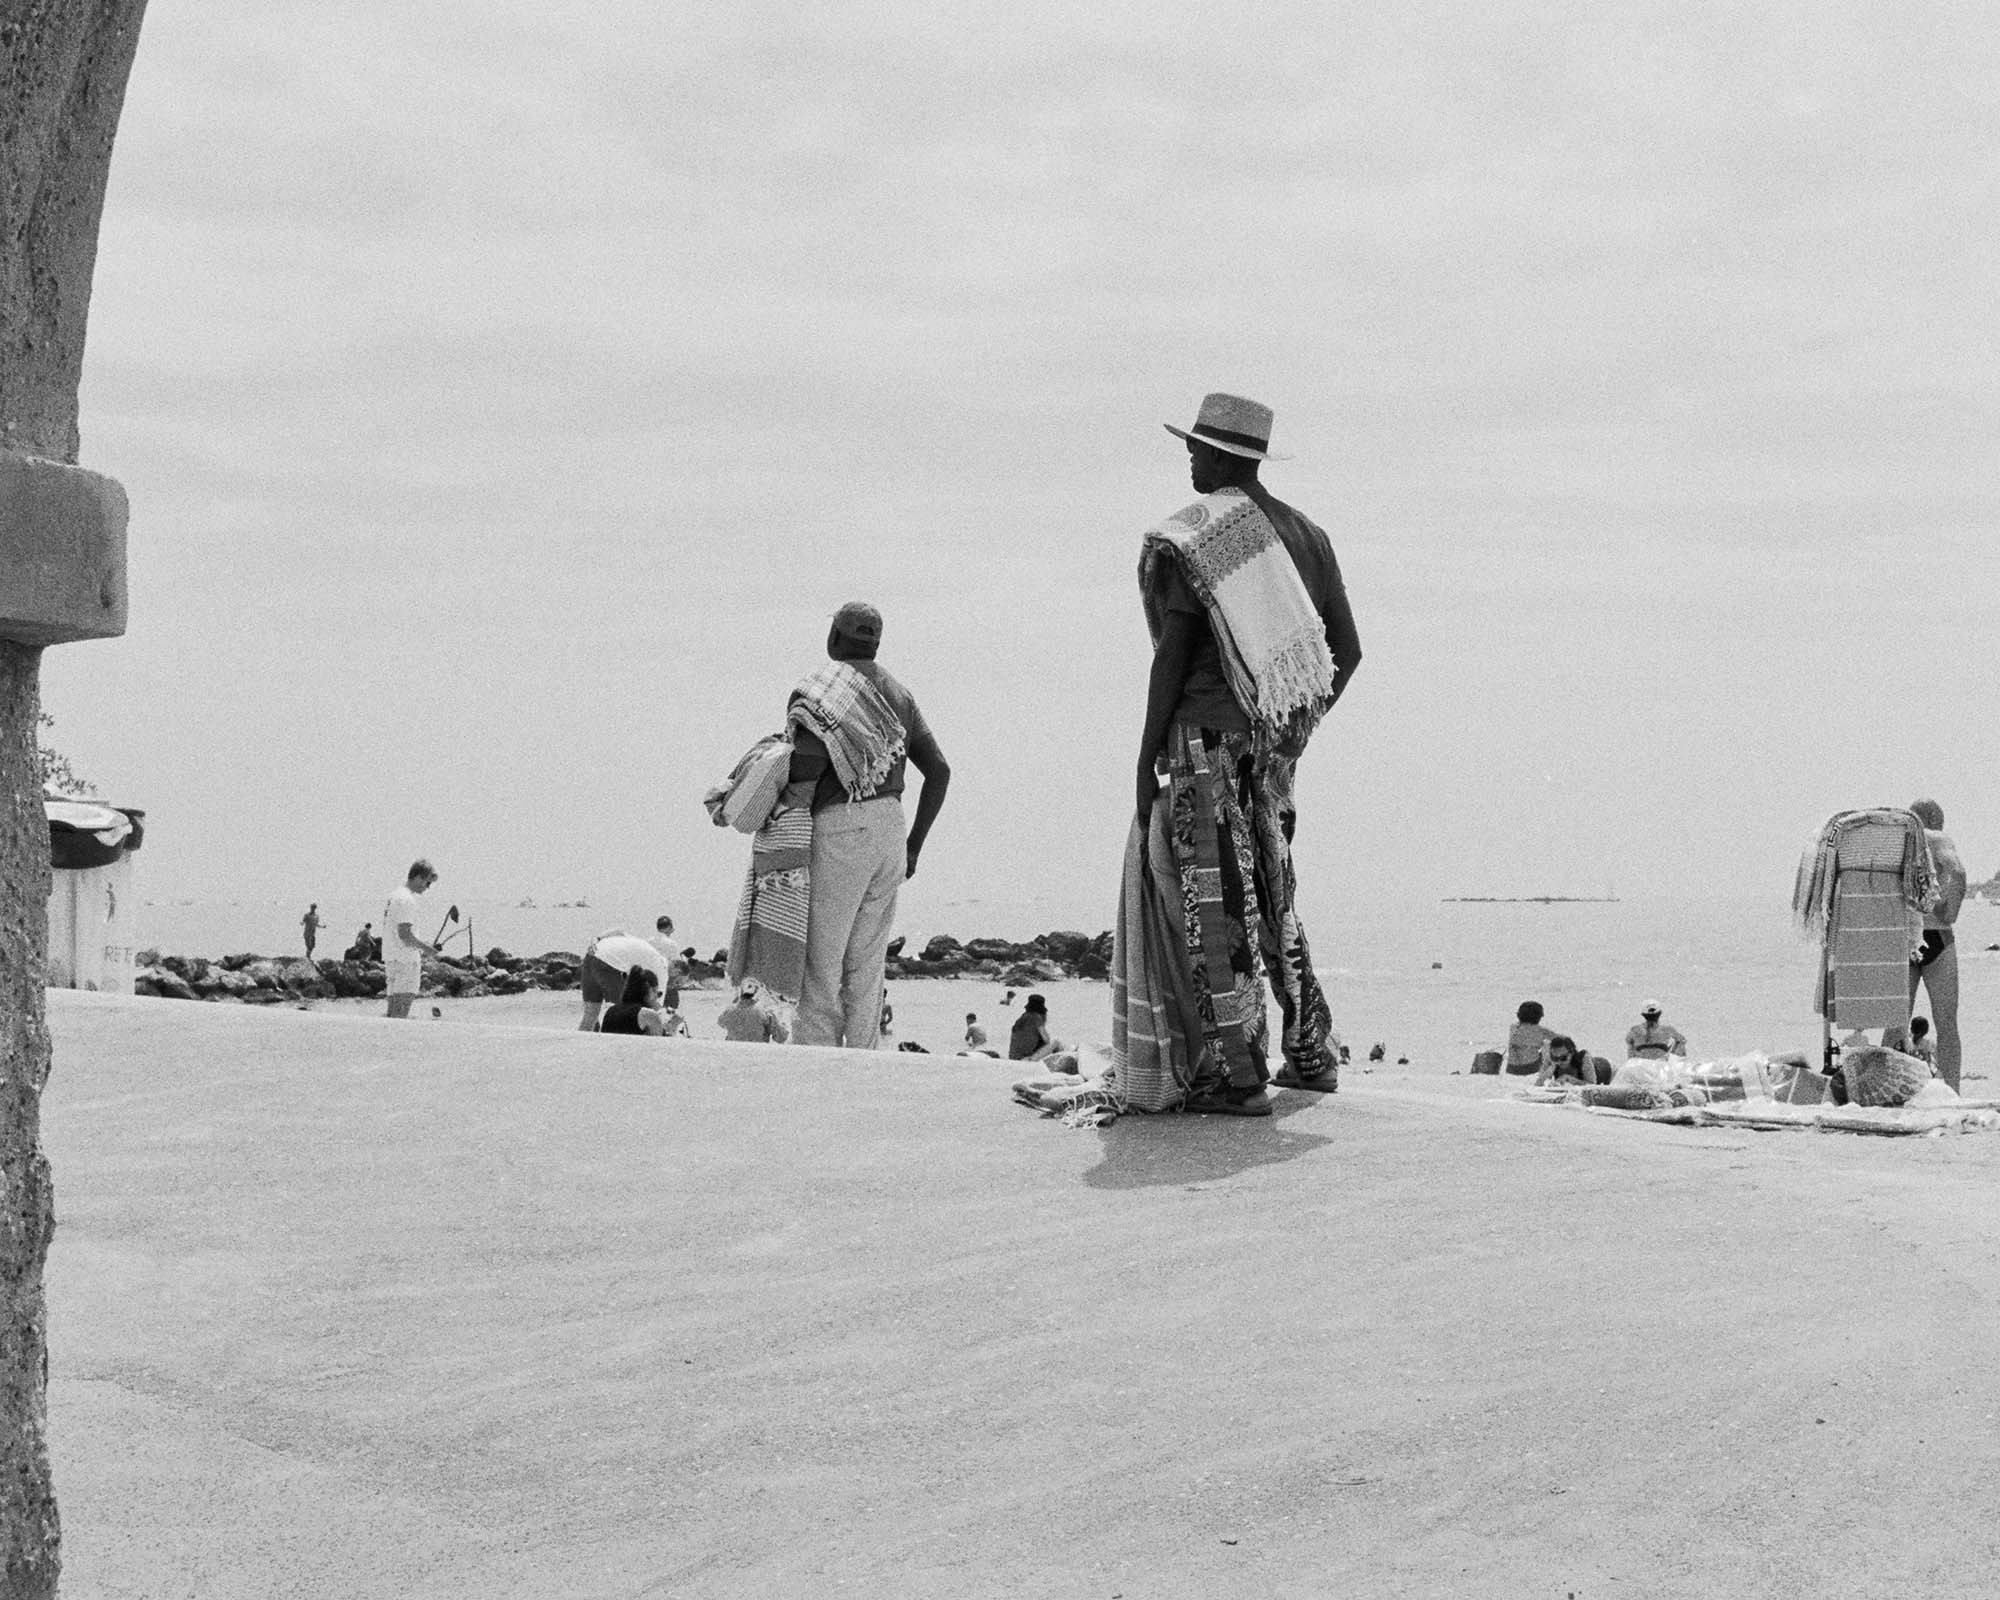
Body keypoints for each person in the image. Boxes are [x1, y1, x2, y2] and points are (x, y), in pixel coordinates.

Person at [1112, 393, 1361, 1117]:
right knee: (1276, 895)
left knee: (1213, 901)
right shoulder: (1307, 535)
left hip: (1203, 738)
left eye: (1196, 447)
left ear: (1225, 457)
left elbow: (1175, 654)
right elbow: (1346, 651)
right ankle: (1311, 1055)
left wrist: (1144, 754)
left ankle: (1235, 1074)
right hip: (1269, 747)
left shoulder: (1204, 533)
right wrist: (1290, 731)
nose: (1189, 457)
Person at [785, 601, 950, 1049]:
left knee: (822, 960)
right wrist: (913, 847)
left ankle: (817, 1060)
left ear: (835, 638)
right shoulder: (899, 694)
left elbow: (807, 763)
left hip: (843, 826)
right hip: (891, 828)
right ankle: (864, 1058)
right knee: (867, 962)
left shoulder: (823, 692)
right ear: (876, 643)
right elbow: (939, 772)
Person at [1909, 798, 1966, 1091]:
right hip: (1937, 935)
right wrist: (1948, 911)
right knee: (1946, 1024)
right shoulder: (1937, 838)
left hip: (1905, 937)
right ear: (1935, 819)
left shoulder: (1902, 842)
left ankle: (1886, 1093)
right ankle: (1953, 1091)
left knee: (1895, 1022)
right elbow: (1957, 872)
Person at [578, 914, 681, 1032]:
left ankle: (581, 1043)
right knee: (621, 1010)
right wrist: (670, 1023)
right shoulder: (662, 968)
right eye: (678, 980)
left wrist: (597, 939)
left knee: (591, 1014)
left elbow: (619, 931)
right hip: (608, 963)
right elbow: (654, 1003)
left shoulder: (645, 942)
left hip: (591, 955)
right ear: (677, 970)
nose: (676, 984)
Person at [383, 860, 440, 1019]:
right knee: (402, 1007)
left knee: (393, 1009)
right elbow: (405, 935)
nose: (427, 887)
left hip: (392, 956)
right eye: (427, 883)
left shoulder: (394, 895)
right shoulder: (407, 900)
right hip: (405, 959)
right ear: (418, 877)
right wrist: (427, 949)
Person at [599, 966, 668, 1036]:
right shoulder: (649, 1015)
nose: (656, 997)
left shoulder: (610, 1011)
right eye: (655, 991)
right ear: (647, 988)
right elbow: (658, 1044)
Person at [717, 979, 790, 1043]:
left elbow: (721, 1023)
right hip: (757, 1056)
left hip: (733, 1055)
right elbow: (781, 1038)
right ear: (757, 993)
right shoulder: (765, 1013)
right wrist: (783, 1025)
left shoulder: (729, 1011)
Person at [1502, 1000, 1555, 1076]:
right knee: (1547, 1044)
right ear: (1538, 1017)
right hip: (1531, 1068)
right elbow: (1561, 1039)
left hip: (1511, 1068)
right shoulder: (1541, 1031)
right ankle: (1547, 1074)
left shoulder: (1513, 1027)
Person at [1009, 993, 1058, 1061]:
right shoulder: (1036, 1018)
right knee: (1056, 1042)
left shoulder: (1023, 1017)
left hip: (1013, 1057)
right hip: (1026, 1059)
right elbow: (1046, 1039)